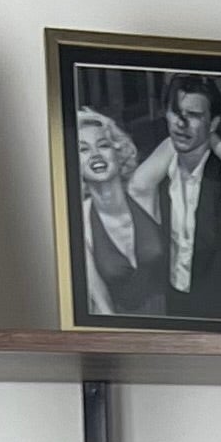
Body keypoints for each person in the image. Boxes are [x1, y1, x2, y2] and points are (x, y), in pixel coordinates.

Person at [128, 76, 221, 322]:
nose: (181, 123)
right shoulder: (156, 174)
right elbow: (138, 187)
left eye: (193, 115)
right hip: (174, 304)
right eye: (176, 112)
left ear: (213, 124)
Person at [72, 109, 168, 322]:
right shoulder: (80, 222)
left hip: (176, 319)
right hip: (124, 327)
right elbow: (102, 303)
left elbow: (179, 141)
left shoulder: (141, 190)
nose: (95, 154)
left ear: (119, 151)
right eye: (83, 149)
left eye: (103, 145)